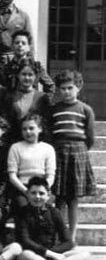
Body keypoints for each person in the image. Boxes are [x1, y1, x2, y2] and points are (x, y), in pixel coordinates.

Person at [51, 70, 96, 241]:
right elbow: (49, 132)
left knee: (73, 198)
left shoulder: (85, 110)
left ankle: (72, 236)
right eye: (62, 88)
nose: (66, 92)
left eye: (70, 88)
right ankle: (59, 235)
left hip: (77, 153)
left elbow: (90, 137)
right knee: (59, 197)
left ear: (79, 88)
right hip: (59, 152)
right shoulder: (54, 109)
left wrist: (81, 151)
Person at [17, 177, 91, 260]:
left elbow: (68, 242)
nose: (37, 197)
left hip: (54, 253)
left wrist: (54, 253)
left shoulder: (54, 212)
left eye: (41, 193)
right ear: (27, 194)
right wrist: (50, 254)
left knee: (84, 254)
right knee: (24, 255)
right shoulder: (22, 213)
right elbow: (25, 241)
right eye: (33, 193)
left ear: (48, 195)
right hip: (35, 255)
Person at [7, 114, 56, 215]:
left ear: (40, 129)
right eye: (24, 129)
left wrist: (43, 190)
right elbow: (12, 176)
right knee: (23, 208)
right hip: (22, 188)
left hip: (43, 188)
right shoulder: (15, 148)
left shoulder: (48, 148)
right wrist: (27, 192)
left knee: (47, 211)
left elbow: (51, 175)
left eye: (31, 128)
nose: (28, 132)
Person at [3, 57, 50, 141]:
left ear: (35, 76)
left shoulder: (42, 97)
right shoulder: (10, 96)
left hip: (36, 142)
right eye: (24, 74)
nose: (27, 78)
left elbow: (45, 123)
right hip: (14, 141)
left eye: (30, 75)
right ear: (18, 75)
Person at [1, 30, 55, 96]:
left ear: (28, 47)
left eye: (23, 43)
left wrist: (44, 101)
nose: (20, 45)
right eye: (17, 43)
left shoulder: (36, 67)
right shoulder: (6, 68)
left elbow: (50, 86)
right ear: (12, 46)